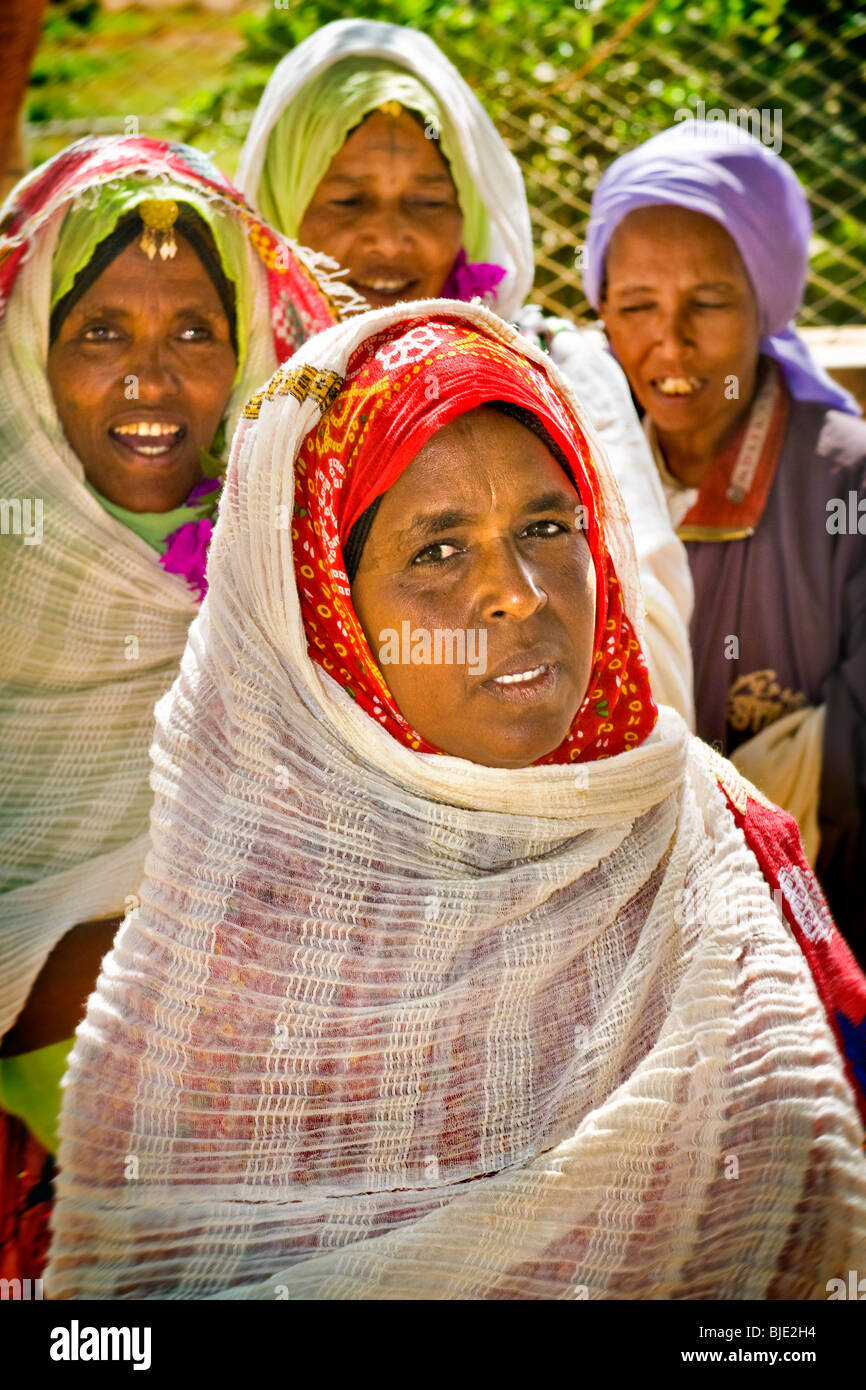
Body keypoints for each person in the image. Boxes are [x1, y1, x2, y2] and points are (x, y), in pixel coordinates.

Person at [46, 303, 866, 1300]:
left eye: (545, 526)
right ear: (325, 615)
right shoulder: (225, 981)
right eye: (436, 550)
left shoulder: (721, 843)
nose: (516, 593)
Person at [0, 134, 347, 1281]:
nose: (152, 381)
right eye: (102, 332)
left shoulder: (297, 550)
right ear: (30, 352)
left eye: (194, 332)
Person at [236, 17, 695, 727]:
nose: (390, 238)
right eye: (348, 201)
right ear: (283, 210)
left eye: (425, 201)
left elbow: (650, 640)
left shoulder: (555, 374)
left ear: (469, 214)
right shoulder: (244, 403)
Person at [583, 119, 866, 965]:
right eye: (636, 307)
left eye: (708, 302)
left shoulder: (846, 484)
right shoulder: (573, 468)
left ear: (767, 305)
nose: (669, 344)